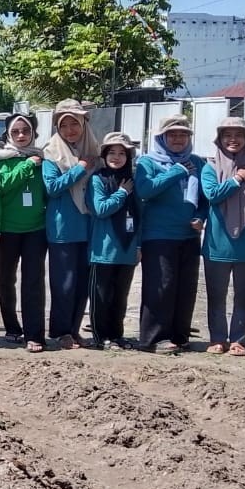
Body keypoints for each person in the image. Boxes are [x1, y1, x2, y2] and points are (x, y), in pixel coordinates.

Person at [200, 117, 245, 356]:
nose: (233, 139)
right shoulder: (210, 167)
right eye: (227, 135)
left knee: (244, 295)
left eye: (239, 135)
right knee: (216, 295)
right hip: (217, 243)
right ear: (219, 139)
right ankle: (218, 338)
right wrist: (238, 178)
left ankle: (238, 340)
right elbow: (212, 195)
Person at [135, 114, 207, 354]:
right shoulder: (148, 162)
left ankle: (180, 335)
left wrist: (201, 216)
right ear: (161, 137)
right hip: (158, 234)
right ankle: (153, 339)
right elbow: (145, 190)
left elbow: (205, 199)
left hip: (188, 235)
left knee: (185, 288)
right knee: (161, 287)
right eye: (172, 134)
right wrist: (175, 171)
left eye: (183, 134)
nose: (178, 139)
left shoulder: (197, 162)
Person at [0, 113, 48, 352]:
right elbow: (3, 185)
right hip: (7, 231)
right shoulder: (0, 159)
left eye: (25, 131)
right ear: (7, 135)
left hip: (36, 229)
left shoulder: (44, 159)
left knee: (33, 282)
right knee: (6, 279)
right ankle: (12, 328)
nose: (21, 135)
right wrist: (27, 164)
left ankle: (35, 335)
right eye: (16, 132)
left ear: (33, 133)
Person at [42, 99, 99, 349]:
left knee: (82, 284)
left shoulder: (96, 151)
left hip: (89, 227)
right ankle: (60, 331)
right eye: (63, 125)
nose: (69, 130)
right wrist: (80, 168)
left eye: (74, 124)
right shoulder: (51, 153)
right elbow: (52, 188)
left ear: (83, 125)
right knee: (63, 283)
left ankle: (75, 330)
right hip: (62, 229)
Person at [88, 132, 142, 351]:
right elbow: (100, 209)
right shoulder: (97, 179)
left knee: (120, 297)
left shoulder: (133, 180)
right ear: (104, 154)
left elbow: (140, 215)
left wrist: (139, 245)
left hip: (127, 250)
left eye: (122, 153)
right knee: (101, 298)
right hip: (104, 250)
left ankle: (117, 335)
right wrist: (121, 193)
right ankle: (101, 337)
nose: (117, 157)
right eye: (112, 152)